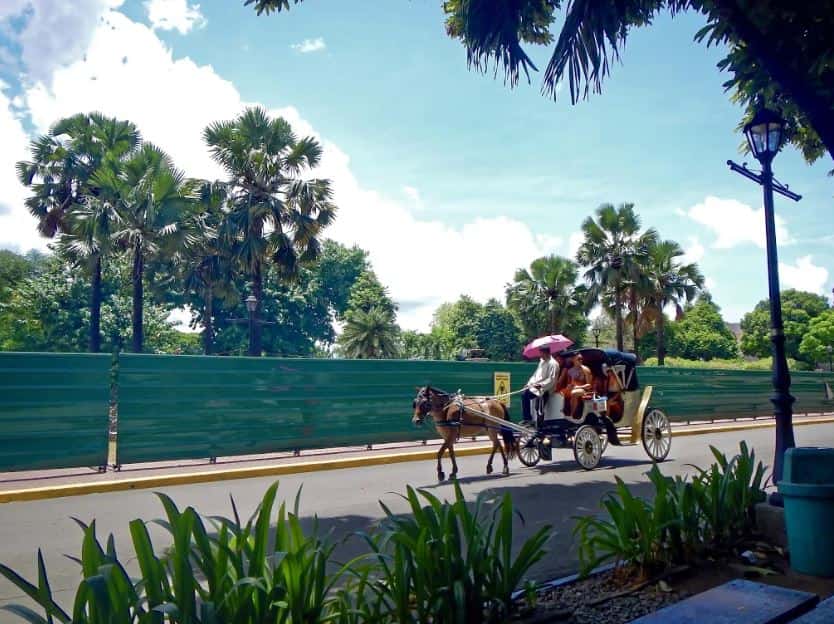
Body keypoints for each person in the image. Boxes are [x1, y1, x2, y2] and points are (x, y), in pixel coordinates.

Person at [521, 346, 559, 424]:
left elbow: (552, 379)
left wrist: (541, 385)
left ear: (546, 353)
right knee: (524, 393)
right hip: (536, 387)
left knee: (539, 406)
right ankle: (527, 418)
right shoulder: (542, 362)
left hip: (546, 389)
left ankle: (540, 425)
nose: (540, 355)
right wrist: (528, 384)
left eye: (541, 353)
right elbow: (535, 375)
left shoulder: (553, 364)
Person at [563, 353, 593, 419]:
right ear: (573, 360)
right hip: (573, 388)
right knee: (561, 393)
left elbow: (589, 385)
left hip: (584, 390)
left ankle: (572, 415)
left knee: (574, 393)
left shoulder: (585, 369)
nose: (581, 360)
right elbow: (569, 383)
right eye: (579, 359)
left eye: (581, 359)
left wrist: (578, 387)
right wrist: (569, 386)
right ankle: (564, 413)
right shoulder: (570, 371)